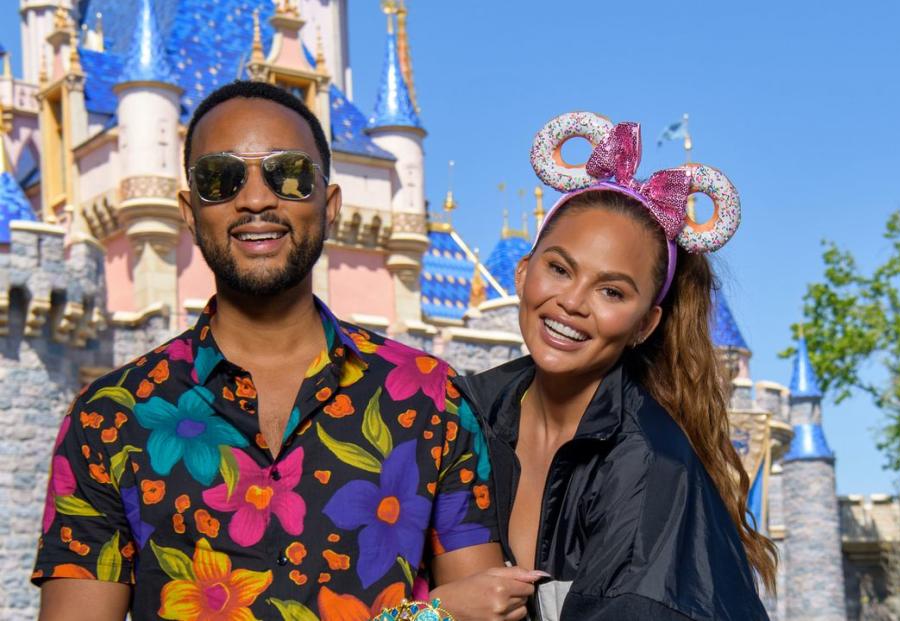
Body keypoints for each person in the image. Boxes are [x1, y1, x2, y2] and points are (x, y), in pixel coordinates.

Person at [32, 81, 538, 621]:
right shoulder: (109, 416)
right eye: (219, 178)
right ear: (188, 210)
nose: (254, 199)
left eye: (290, 175)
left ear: (331, 204)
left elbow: (482, 609)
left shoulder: (431, 397)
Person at [453, 113, 777, 620]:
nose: (572, 303)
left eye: (611, 291)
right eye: (559, 269)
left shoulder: (650, 473)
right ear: (523, 272)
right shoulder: (459, 409)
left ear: (644, 325)